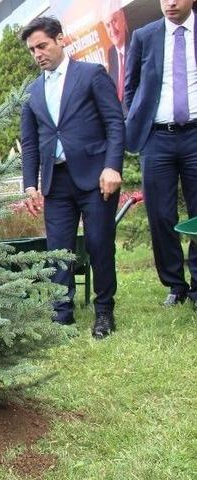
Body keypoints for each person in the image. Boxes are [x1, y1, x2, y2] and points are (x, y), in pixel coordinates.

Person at [20, 16, 124, 338]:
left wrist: (112, 166)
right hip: (56, 181)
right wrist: (30, 185)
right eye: (32, 50)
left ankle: (104, 311)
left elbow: (115, 123)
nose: (38, 54)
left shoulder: (91, 75)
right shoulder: (32, 91)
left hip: (96, 177)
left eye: (42, 46)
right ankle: (61, 314)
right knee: (59, 249)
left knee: (98, 244)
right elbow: (30, 143)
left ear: (60, 40)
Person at [124, 0, 197, 307]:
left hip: (195, 134)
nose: (170, 2)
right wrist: (137, 123)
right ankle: (175, 285)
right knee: (160, 214)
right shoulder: (144, 36)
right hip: (157, 139)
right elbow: (130, 87)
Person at [102, 0, 130, 107]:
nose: (112, 30)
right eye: (108, 25)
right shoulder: (111, 53)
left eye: (114, 21)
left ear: (123, 18)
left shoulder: (137, 44)